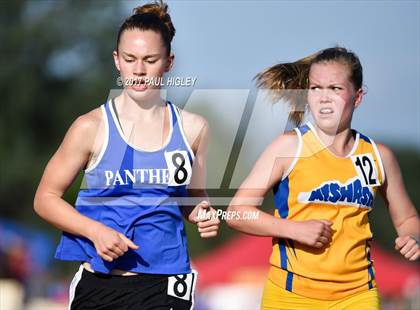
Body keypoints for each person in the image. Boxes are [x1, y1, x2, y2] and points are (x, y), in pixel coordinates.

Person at [34, 1, 220, 309]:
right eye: (130, 59)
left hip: (167, 283)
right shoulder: (90, 127)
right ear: (117, 60)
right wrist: (95, 232)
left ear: (168, 62)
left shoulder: (193, 128)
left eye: (150, 59)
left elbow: (192, 198)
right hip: (101, 283)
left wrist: (204, 213)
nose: (139, 70)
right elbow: (45, 198)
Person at [226, 47, 419, 309]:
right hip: (291, 295)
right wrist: (293, 229)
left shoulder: (378, 156)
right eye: (316, 88)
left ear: (358, 97)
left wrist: (413, 238)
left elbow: (407, 219)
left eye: (335, 89)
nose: (324, 98)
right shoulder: (288, 148)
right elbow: (237, 212)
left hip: (358, 296)